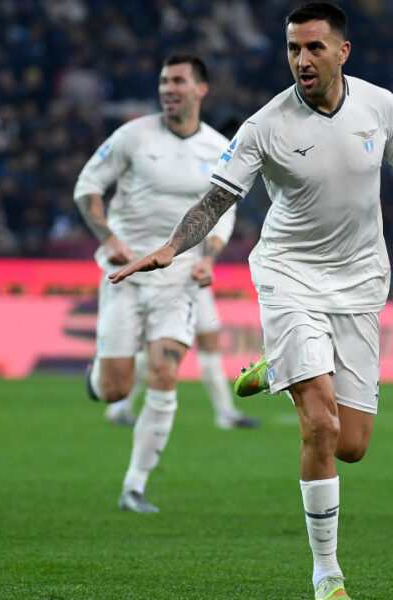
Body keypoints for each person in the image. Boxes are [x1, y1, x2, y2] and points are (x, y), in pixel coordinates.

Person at [109, 3, 393, 598]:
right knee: (320, 427)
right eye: (293, 48)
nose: (301, 60)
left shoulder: (381, 106)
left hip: (360, 280)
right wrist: (172, 246)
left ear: (343, 51)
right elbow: (215, 200)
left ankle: (277, 370)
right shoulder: (264, 125)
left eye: (314, 48)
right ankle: (328, 573)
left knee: (352, 446)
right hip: (289, 277)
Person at [74, 53, 238, 514]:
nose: (169, 88)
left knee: (166, 372)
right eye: (164, 81)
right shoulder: (131, 136)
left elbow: (225, 210)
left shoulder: (218, 148)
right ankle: (98, 376)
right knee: (116, 390)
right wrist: (108, 237)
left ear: (200, 89)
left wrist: (208, 257)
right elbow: (87, 186)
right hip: (125, 274)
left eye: (179, 81)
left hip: (179, 279)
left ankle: (134, 486)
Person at [104, 283, 263, 430]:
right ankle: (121, 406)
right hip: (167, 285)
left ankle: (226, 413)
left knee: (210, 343)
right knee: (151, 348)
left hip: (196, 285)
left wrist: (207, 261)